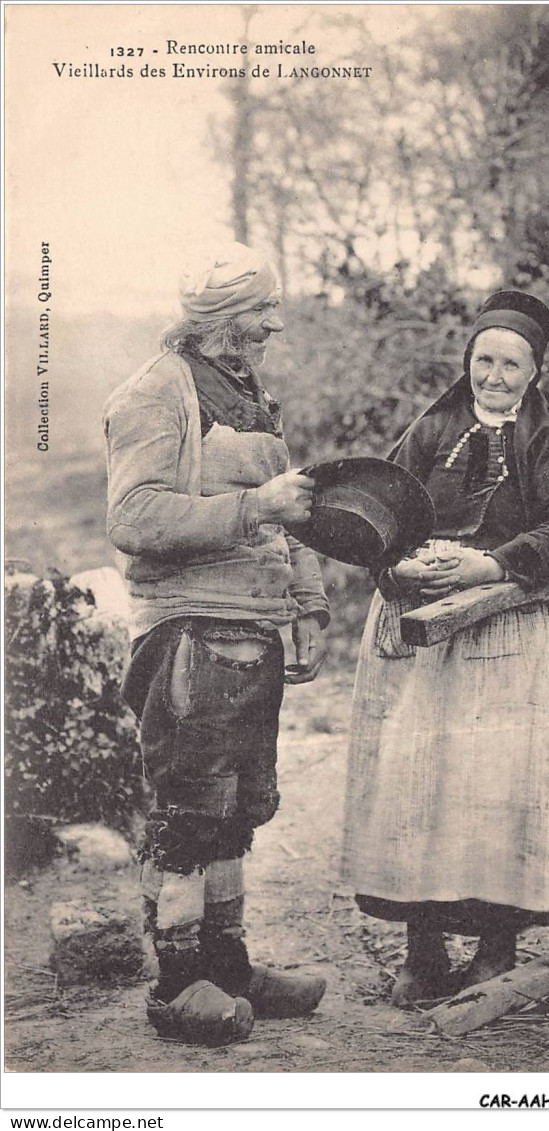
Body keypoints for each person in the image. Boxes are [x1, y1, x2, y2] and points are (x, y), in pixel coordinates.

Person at [340, 290, 549, 1008]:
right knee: (413, 786)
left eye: (509, 363)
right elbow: (374, 514)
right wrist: (397, 567)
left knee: (495, 792)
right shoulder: (430, 430)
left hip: (504, 632)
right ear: (468, 361)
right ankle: (421, 951)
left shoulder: (548, 445)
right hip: (419, 634)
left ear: (533, 371)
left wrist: (489, 566)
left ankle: (494, 949)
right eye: (483, 359)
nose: (493, 375)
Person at [103, 244, 330, 1045]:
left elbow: (288, 504)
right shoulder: (152, 395)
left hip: (253, 632)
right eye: (261, 309)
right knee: (185, 818)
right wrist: (252, 509)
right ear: (218, 317)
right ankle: (176, 986)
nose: (274, 321)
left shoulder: (247, 390)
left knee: (238, 811)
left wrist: (306, 599)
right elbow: (134, 517)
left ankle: (228, 967)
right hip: (187, 636)